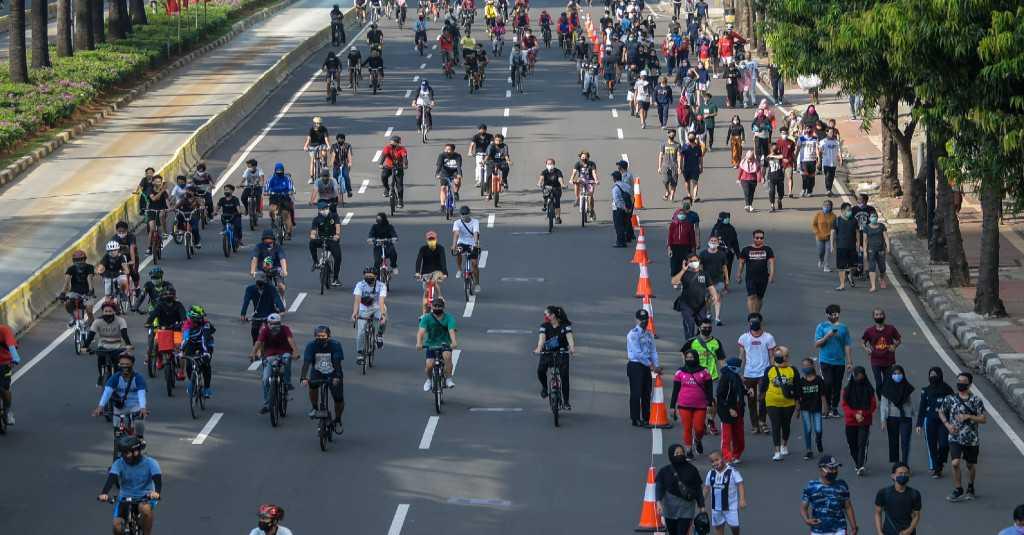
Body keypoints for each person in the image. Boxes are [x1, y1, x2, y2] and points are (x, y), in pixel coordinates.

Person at [98, 436, 161, 535]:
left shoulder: (151, 463)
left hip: (145, 497)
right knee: (116, 526)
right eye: (123, 453)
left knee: (145, 509)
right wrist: (104, 493)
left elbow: (157, 481)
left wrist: (156, 493)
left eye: (127, 453)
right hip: (125, 498)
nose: (124, 456)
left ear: (136, 452)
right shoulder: (119, 463)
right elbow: (112, 478)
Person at [939, 372, 987, 502]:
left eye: (963, 381)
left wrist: (969, 416)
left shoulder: (976, 400)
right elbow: (941, 411)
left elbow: (983, 419)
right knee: (955, 463)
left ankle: (970, 487)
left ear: (969, 384)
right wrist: (947, 425)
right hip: (955, 437)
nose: (960, 383)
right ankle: (958, 488)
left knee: (970, 465)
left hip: (971, 439)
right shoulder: (950, 399)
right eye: (958, 381)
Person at [250, 314, 299, 414]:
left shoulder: (285, 329)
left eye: (276, 324)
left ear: (280, 323)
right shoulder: (265, 330)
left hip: (284, 352)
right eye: (271, 324)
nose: (274, 326)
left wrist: (295, 351)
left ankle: (287, 382)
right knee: (265, 379)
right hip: (270, 355)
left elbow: (290, 340)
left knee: (287, 358)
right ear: (268, 323)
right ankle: (267, 404)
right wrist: (253, 353)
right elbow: (259, 342)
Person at [736, 312, 775, 435]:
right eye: (752, 321)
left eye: (756, 321)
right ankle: (754, 425)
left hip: (764, 373)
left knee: (763, 398)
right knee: (751, 400)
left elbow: (772, 356)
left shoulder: (768, 337)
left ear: (761, 322)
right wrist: (737, 371)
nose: (754, 323)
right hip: (749, 373)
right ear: (749, 323)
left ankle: (763, 421)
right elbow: (741, 355)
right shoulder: (743, 338)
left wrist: (772, 371)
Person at [93, 352, 149, 437]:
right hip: (120, 407)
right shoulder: (115, 377)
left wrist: (143, 408)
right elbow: (107, 392)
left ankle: (139, 443)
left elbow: (141, 393)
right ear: (119, 365)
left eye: (127, 364)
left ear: (132, 364)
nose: (124, 367)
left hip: (136, 407)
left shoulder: (138, 378)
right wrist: (100, 407)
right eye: (122, 364)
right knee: (118, 432)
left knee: (139, 428)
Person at [671, 349, 714, 457]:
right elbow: (675, 390)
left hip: (700, 405)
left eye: (692, 357)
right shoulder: (680, 372)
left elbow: (709, 389)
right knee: (687, 428)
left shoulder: (705, 371)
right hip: (684, 405)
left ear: (696, 358)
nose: (689, 359)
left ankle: (698, 440)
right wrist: (672, 407)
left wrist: (709, 404)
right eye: (687, 357)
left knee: (699, 428)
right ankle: (689, 450)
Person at [656, 443, 707, 535]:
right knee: (672, 532)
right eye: (677, 453)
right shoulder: (664, 471)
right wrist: (658, 502)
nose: (680, 455)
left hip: (686, 508)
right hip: (669, 508)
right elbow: (659, 487)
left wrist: (702, 506)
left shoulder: (692, 470)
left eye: (682, 453)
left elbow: (698, 489)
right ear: (671, 455)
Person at [300, 325, 345, 429]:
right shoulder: (311, 346)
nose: (320, 338)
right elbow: (306, 362)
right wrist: (303, 377)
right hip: (317, 371)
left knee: (338, 398)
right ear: (315, 336)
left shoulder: (335, 345)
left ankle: (338, 419)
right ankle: (315, 408)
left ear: (329, 336)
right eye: (318, 336)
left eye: (323, 336)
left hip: (333, 372)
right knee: (312, 385)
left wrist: (337, 376)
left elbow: (337, 362)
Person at [801, 455, 858, 535]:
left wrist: (854, 527)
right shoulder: (811, 486)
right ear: (821, 469)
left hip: (839, 529)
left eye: (836, 468)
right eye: (831, 468)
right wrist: (807, 519)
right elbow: (804, 508)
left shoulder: (842, 485)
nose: (834, 471)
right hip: (818, 531)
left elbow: (848, 506)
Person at [533, 305, 575, 408]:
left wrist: (572, 347)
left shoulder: (565, 326)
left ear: (553, 315)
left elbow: (569, 337)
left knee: (564, 377)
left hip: (562, 353)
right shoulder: (544, 326)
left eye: (547, 314)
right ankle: (544, 388)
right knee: (540, 371)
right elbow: (541, 339)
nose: (545, 316)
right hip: (547, 353)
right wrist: (539, 348)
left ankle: (566, 402)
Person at [815, 303, 853, 418]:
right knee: (828, 383)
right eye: (832, 314)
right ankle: (826, 407)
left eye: (836, 314)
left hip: (839, 361)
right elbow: (817, 344)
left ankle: (834, 408)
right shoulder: (821, 327)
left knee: (837, 385)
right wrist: (828, 336)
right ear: (827, 315)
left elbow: (847, 345)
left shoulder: (843, 328)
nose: (834, 316)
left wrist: (849, 362)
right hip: (825, 360)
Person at [916, 366, 953, 478]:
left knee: (944, 445)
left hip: (944, 422)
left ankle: (940, 462)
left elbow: (953, 407)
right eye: (931, 375)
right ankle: (936, 469)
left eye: (935, 375)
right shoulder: (925, 390)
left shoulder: (947, 390)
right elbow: (922, 407)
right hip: (930, 421)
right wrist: (919, 424)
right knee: (931, 445)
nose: (933, 377)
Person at [84, 302, 133, 386]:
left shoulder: (121, 320)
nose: (108, 313)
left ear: (114, 312)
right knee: (100, 360)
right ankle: (101, 375)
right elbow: (91, 335)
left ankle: (118, 380)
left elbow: (124, 334)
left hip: (117, 346)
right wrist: (85, 346)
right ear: (102, 312)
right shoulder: (97, 321)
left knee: (118, 365)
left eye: (110, 311)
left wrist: (128, 345)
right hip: (103, 346)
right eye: (105, 311)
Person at [672, 254, 717, 340]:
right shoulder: (684, 274)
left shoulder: (704, 274)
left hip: (701, 305)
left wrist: (714, 295)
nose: (693, 262)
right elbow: (674, 282)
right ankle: (689, 343)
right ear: (687, 263)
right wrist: (683, 270)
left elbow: (710, 286)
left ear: (699, 261)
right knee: (690, 324)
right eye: (691, 261)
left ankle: (699, 340)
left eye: (695, 260)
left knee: (703, 325)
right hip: (686, 305)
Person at [627, 309, 660, 427]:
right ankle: (635, 418)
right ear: (636, 320)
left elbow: (653, 351)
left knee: (647, 392)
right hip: (636, 365)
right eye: (641, 319)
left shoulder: (649, 334)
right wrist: (651, 365)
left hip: (646, 366)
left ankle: (646, 416)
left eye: (646, 319)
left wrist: (656, 365)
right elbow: (637, 354)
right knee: (636, 393)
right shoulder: (633, 334)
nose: (644, 321)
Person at [416, 297, 458, 390]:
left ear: (443, 308)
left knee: (447, 356)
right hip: (431, 344)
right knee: (429, 365)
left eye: (439, 306)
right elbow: (421, 332)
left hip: (445, 343)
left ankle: (448, 379)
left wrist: (454, 342)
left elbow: (451, 331)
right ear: (431, 307)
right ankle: (429, 380)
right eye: (435, 306)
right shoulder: (426, 318)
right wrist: (419, 343)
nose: (437, 308)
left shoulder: (449, 318)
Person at [841, 366, 877, 475]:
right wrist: (855, 414)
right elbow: (844, 405)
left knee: (862, 443)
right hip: (851, 421)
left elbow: (873, 405)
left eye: (862, 377)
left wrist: (863, 413)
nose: (860, 379)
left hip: (864, 421)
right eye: (858, 377)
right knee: (852, 443)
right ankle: (857, 461)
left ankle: (860, 465)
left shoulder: (869, 389)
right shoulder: (847, 390)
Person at [764, 346, 797, 461]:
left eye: (780, 356)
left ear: (786, 357)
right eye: (776, 356)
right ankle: (777, 451)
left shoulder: (792, 370)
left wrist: (798, 404)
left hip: (788, 403)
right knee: (775, 425)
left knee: (786, 425)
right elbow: (763, 386)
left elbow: (797, 388)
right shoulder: (769, 370)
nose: (777, 358)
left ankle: (784, 444)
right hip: (772, 402)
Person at [878, 364, 915, 467]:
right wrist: (883, 420)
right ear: (891, 375)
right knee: (893, 441)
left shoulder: (906, 386)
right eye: (895, 373)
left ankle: (905, 464)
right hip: (892, 417)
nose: (897, 375)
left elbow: (910, 402)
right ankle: (896, 465)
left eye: (899, 373)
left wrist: (913, 414)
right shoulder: (886, 388)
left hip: (905, 417)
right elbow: (884, 405)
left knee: (905, 442)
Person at [351, 266, 388, 362]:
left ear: (375, 276)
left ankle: (379, 335)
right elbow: (357, 299)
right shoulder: (360, 285)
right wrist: (355, 312)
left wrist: (382, 315)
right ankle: (360, 353)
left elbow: (381, 300)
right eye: (366, 276)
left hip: (377, 307)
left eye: (370, 276)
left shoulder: (381, 286)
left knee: (383, 317)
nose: (368, 277)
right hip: (363, 309)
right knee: (361, 332)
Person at [703, 450, 746, 535]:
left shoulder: (732, 471)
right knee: (718, 527)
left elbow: (740, 484)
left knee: (734, 527)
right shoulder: (710, 473)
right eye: (712, 461)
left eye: (717, 460)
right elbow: (706, 488)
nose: (715, 463)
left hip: (730, 507)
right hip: (716, 508)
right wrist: (701, 501)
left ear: (723, 458)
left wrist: (742, 499)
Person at [873, 463, 922, 535]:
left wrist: (909, 530)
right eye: (900, 473)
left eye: (906, 473)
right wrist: (880, 532)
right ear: (893, 476)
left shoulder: (914, 494)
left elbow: (917, 515)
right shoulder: (883, 493)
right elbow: (877, 513)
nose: (903, 475)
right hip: (888, 532)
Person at [862, 308, 901, 392]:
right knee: (879, 383)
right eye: (876, 314)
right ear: (873, 317)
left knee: (887, 382)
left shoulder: (891, 328)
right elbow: (862, 342)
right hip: (875, 361)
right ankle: (881, 400)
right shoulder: (869, 331)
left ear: (884, 316)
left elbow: (898, 340)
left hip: (888, 360)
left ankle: (886, 399)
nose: (879, 316)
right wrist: (866, 349)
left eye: (880, 314)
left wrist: (894, 346)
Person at [736, 229, 775, 314]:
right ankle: (752, 316)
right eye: (757, 238)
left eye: (761, 238)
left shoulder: (768, 249)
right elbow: (741, 263)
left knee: (759, 298)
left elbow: (771, 263)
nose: (759, 240)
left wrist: (771, 275)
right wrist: (739, 275)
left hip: (763, 277)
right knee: (751, 296)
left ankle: (757, 314)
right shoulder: (746, 249)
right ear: (753, 238)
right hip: (750, 277)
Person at [180, 306, 215, 398]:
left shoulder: (206, 325)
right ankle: (192, 381)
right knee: (188, 364)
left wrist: (206, 352)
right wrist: (181, 351)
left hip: (206, 344)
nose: (202, 319)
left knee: (206, 364)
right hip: (192, 343)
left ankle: (207, 388)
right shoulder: (187, 325)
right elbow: (185, 338)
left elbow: (205, 339)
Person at [716, 357, 746, 463]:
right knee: (727, 437)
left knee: (739, 436)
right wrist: (729, 409)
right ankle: (727, 457)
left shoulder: (736, 376)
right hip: (727, 411)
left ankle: (736, 455)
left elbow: (739, 391)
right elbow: (720, 396)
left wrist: (747, 392)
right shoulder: (726, 378)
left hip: (738, 409)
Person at [796, 357, 827, 460]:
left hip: (817, 407)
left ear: (812, 366)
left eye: (807, 366)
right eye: (803, 366)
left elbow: (823, 395)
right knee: (808, 429)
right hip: (805, 408)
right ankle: (809, 450)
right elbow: (798, 397)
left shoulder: (819, 380)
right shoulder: (801, 382)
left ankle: (818, 440)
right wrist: (797, 410)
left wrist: (824, 407)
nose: (805, 368)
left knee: (818, 429)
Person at [240, 275, 285, 344]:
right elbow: (246, 301)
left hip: (270, 315)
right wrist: (243, 314)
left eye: (262, 284)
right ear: (256, 283)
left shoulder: (271, 288)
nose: (261, 286)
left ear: (266, 283)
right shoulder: (250, 289)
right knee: (254, 334)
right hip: (257, 316)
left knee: (273, 334)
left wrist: (282, 310)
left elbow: (277, 299)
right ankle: (255, 349)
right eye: (259, 284)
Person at [308, 201, 342, 286]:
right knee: (311, 243)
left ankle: (335, 279)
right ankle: (315, 261)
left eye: (326, 208)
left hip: (332, 239)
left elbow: (337, 226)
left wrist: (337, 235)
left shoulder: (334, 216)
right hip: (322, 239)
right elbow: (313, 230)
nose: (325, 210)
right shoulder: (316, 219)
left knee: (338, 257)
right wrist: (312, 235)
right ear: (319, 210)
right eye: (323, 209)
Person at [699, 236, 729, 325]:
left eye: (715, 241)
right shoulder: (703, 253)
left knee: (717, 298)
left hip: (719, 280)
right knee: (707, 299)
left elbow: (725, 267)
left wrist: (727, 279)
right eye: (711, 240)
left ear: (718, 243)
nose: (713, 242)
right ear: (708, 242)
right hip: (707, 281)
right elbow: (700, 266)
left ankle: (717, 318)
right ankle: (708, 313)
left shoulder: (721, 254)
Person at [452, 205, 482, 292]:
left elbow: (476, 232)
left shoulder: (475, 222)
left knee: (475, 264)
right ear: (460, 215)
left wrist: (476, 243)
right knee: (458, 251)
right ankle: (459, 269)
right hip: (461, 243)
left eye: (466, 214)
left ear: (469, 214)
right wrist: (454, 245)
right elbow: (456, 234)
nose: (464, 216)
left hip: (472, 244)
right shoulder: (457, 223)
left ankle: (477, 284)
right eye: (462, 214)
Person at [250, 229, 289, 299]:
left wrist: (284, 270)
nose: (268, 243)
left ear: (273, 240)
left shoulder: (278, 247)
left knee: (280, 286)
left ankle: (282, 298)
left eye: (270, 241)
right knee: (261, 285)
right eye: (266, 241)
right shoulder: (259, 247)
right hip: (263, 270)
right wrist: (252, 271)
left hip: (276, 269)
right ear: (263, 240)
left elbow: (282, 259)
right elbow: (254, 259)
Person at [63, 250, 97, 324]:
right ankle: (73, 317)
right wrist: (63, 293)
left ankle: (91, 320)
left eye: (81, 259)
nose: (79, 262)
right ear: (73, 261)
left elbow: (89, 277)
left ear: (85, 259)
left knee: (89, 310)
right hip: (74, 292)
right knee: (67, 303)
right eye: (77, 260)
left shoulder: (89, 267)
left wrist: (91, 290)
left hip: (88, 292)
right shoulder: (71, 268)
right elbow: (67, 280)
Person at [831, 202, 859, 291]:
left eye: (850, 210)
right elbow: (833, 234)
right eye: (848, 210)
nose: (850, 212)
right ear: (842, 211)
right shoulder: (837, 221)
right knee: (841, 267)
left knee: (853, 266)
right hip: (841, 247)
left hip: (852, 247)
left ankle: (850, 274)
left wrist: (858, 243)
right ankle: (842, 284)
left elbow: (857, 232)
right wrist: (832, 245)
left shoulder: (854, 220)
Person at [264, 162, 295, 237]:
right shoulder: (271, 179)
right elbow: (266, 187)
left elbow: (291, 187)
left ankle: (288, 231)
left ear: (283, 171)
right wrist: (266, 192)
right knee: (271, 210)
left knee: (286, 214)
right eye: (278, 173)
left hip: (285, 197)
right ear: (275, 171)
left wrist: (291, 191)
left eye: (280, 172)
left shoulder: (287, 178)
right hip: (274, 197)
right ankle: (273, 220)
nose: (279, 174)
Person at [862, 213, 890, 292]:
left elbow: (886, 237)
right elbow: (865, 240)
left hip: (881, 250)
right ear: (869, 218)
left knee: (882, 268)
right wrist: (864, 251)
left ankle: (881, 278)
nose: (873, 218)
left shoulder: (881, 226)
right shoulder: (866, 228)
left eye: (875, 217)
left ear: (877, 218)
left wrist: (888, 247)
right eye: (872, 217)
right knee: (872, 267)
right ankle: (873, 286)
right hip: (871, 250)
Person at [0, 323, 21, 425]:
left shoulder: (4, 330)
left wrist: (15, 357)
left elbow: (11, 345)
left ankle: (7, 412)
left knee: (5, 389)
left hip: (4, 363)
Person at [380, 136, 409, 207]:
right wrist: (381, 164)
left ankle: (400, 201)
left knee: (399, 185)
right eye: (391, 143)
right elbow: (384, 155)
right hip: (389, 167)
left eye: (394, 143)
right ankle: (387, 189)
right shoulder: (387, 148)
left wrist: (405, 164)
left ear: (398, 143)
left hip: (398, 167)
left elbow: (405, 158)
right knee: (383, 176)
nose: (391, 145)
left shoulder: (402, 149)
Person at [538, 158, 566, 224]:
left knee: (557, 202)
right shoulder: (544, 172)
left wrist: (562, 184)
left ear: (554, 164)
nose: (550, 165)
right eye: (548, 164)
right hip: (547, 188)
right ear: (546, 164)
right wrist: (539, 183)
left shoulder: (558, 171)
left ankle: (558, 217)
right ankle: (545, 205)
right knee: (545, 196)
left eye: (551, 164)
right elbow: (541, 179)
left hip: (556, 188)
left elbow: (560, 179)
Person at [812, 200, 836, 272]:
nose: (826, 207)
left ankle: (826, 266)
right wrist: (817, 232)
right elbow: (814, 224)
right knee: (821, 251)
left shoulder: (833, 216)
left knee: (828, 252)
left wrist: (834, 235)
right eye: (825, 205)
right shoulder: (818, 214)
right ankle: (821, 259)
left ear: (831, 207)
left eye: (828, 205)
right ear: (822, 206)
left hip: (829, 237)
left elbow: (835, 227)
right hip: (819, 237)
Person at [658, 129, 683, 201]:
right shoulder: (664, 144)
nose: (672, 135)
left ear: (675, 135)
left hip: (674, 166)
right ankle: (667, 191)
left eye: (673, 134)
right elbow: (661, 155)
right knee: (665, 181)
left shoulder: (677, 145)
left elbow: (679, 156)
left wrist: (679, 167)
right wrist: (659, 167)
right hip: (665, 166)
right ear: (668, 134)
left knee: (674, 182)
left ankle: (672, 194)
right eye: (670, 133)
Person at [304, 117, 330, 184]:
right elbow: (309, 139)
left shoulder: (324, 129)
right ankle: (311, 177)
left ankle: (324, 165)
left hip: (322, 145)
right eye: (317, 123)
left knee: (324, 154)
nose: (318, 125)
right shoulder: (311, 129)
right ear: (314, 123)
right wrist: (305, 146)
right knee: (312, 161)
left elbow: (326, 138)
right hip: (313, 146)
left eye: (319, 123)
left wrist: (328, 146)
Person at [796, 125, 819, 196]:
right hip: (804, 160)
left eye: (810, 129)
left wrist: (819, 159)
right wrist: (795, 158)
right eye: (807, 129)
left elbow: (817, 149)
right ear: (805, 130)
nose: (808, 131)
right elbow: (798, 149)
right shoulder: (801, 138)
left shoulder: (815, 138)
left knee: (812, 177)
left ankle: (810, 191)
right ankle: (803, 189)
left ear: (812, 130)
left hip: (812, 160)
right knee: (804, 176)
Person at [819, 128, 843, 196]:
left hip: (834, 162)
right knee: (827, 175)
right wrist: (819, 160)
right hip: (826, 161)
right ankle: (828, 189)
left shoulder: (836, 142)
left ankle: (829, 189)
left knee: (832, 176)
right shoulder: (823, 141)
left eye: (833, 132)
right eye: (830, 132)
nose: (832, 134)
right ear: (827, 133)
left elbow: (839, 151)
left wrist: (841, 159)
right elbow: (820, 151)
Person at [681, 133, 704, 201]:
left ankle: (695, 196)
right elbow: (681, 156)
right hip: (686, 167)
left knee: (695, 182)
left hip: (695, 167)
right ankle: (689, 194)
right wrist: (680, 166)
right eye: (690, 136)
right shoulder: (684, 146)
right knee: (687, 181)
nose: (691, 138)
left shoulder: (698, 147)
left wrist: (701, 166)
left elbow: (700, 158)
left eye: (692, 136)